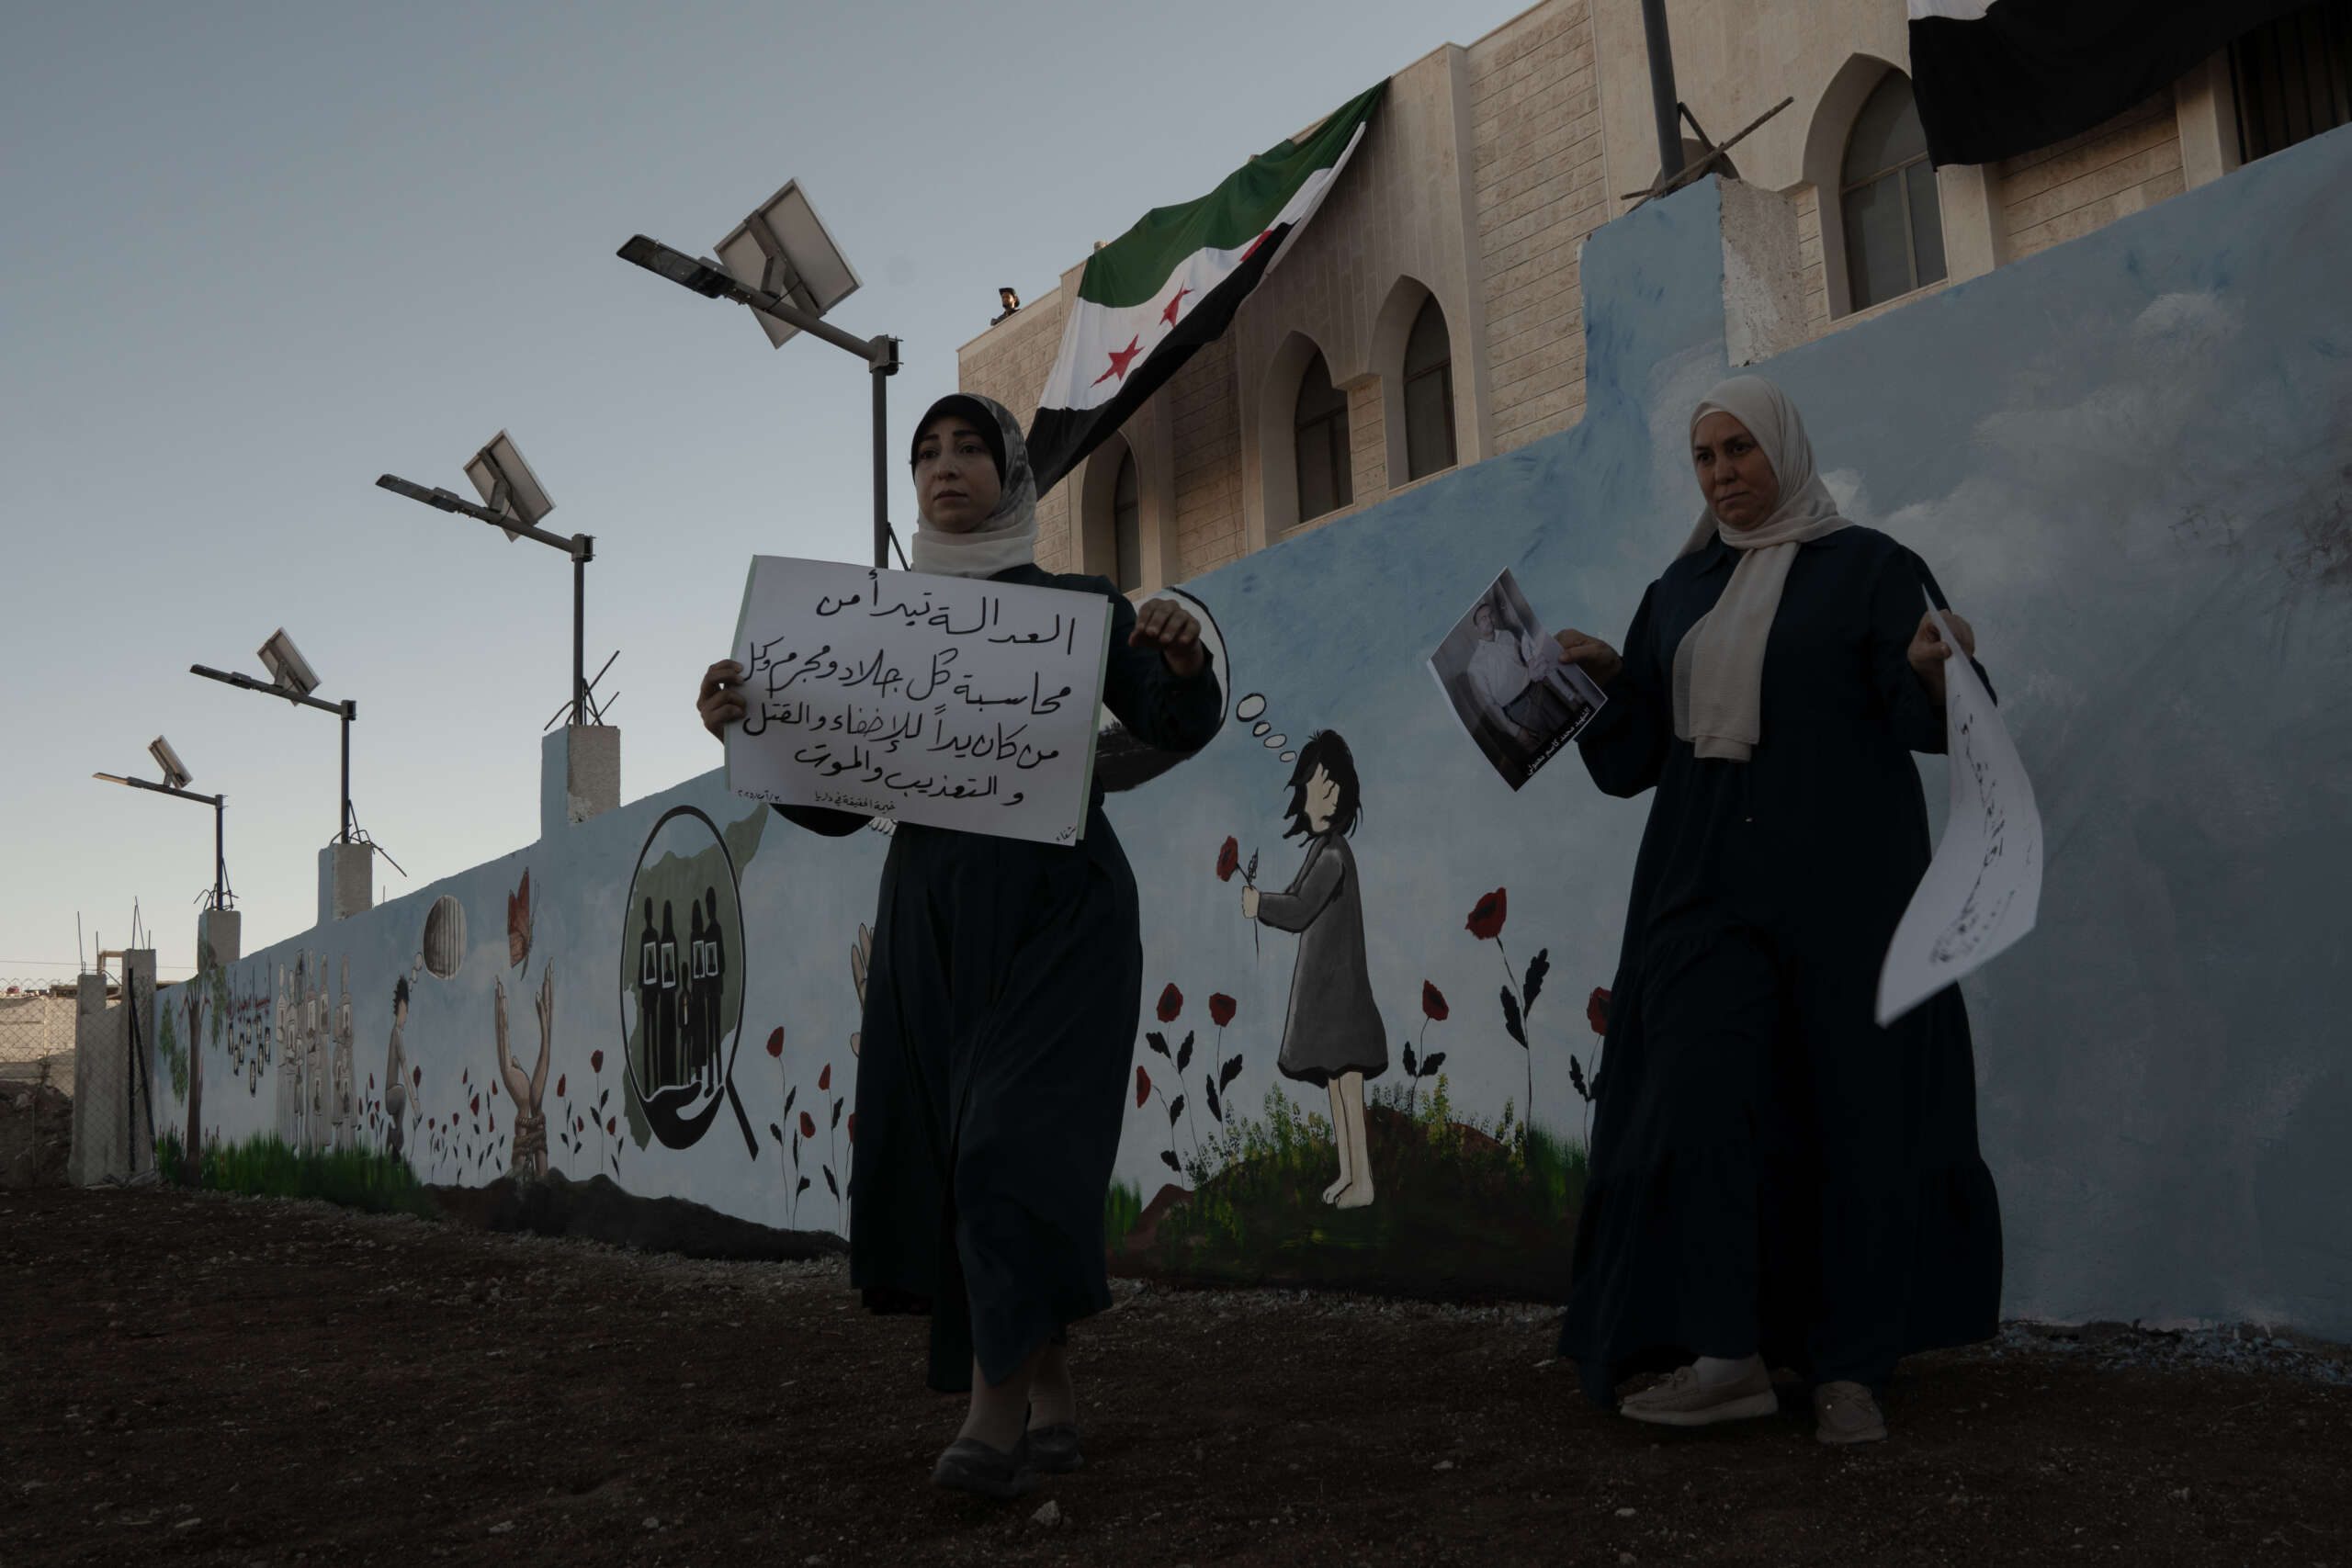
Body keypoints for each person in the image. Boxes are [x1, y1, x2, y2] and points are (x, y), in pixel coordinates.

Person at [695, 392, 1221, 1499]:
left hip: (1061, 914)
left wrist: (1177, 664)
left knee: (1005, 1148)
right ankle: (1053, 1392)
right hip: (933, 921)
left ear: (1012, 474)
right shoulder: (872, 628)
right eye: (926, 450)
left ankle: (991, 1419)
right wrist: (756, 727)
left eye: (969, 447)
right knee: (973, 1155)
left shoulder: (1079, 607)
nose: (944, 466)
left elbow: (1175, 724)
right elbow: (834, 807)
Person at [1547, 375, 2002, 1446]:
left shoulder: (1872, 570)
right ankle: (1726, 1354)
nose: (1722, 476)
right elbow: (1632, 758)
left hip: (1849, 888)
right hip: (1701, 884)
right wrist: (1611, 677)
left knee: (1852, 1110)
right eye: (1705, 459)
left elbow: (1928, 715)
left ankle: (1848, 1367)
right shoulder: (1676, 590)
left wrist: (1941, 672)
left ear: (1784, 450)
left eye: (1738, 451)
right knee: (1702, 1098)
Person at [1242, 731, 1385, 1208]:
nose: (1317, 797)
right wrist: (1264, 900)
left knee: (1348, 1087)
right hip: (1328, 996)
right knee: (1337, 1087)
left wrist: (1260, 903)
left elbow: (1301, 908)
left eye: (1327, 788)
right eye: (1311, 788)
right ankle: (1348, 1175)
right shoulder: (1320, 849)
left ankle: (1361, 1180)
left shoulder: (1333, 854)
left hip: (1340, 998)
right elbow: (1299, 898)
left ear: (1344, 794)